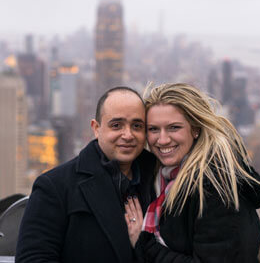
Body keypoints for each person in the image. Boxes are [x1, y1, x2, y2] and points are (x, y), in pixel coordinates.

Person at [125, 83, 260, 263]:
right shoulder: (163, 177)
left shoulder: (216, 187)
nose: (162, 140)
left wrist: (144, 242)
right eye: (153, 129)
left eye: (174, 127)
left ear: (195, 129)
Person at [15, 87, 156, 263]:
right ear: (96, 128)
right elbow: (33, 259)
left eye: (137, 126)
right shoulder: (55, 186)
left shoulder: (160, 179)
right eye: (116, 125)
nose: (128, 135)